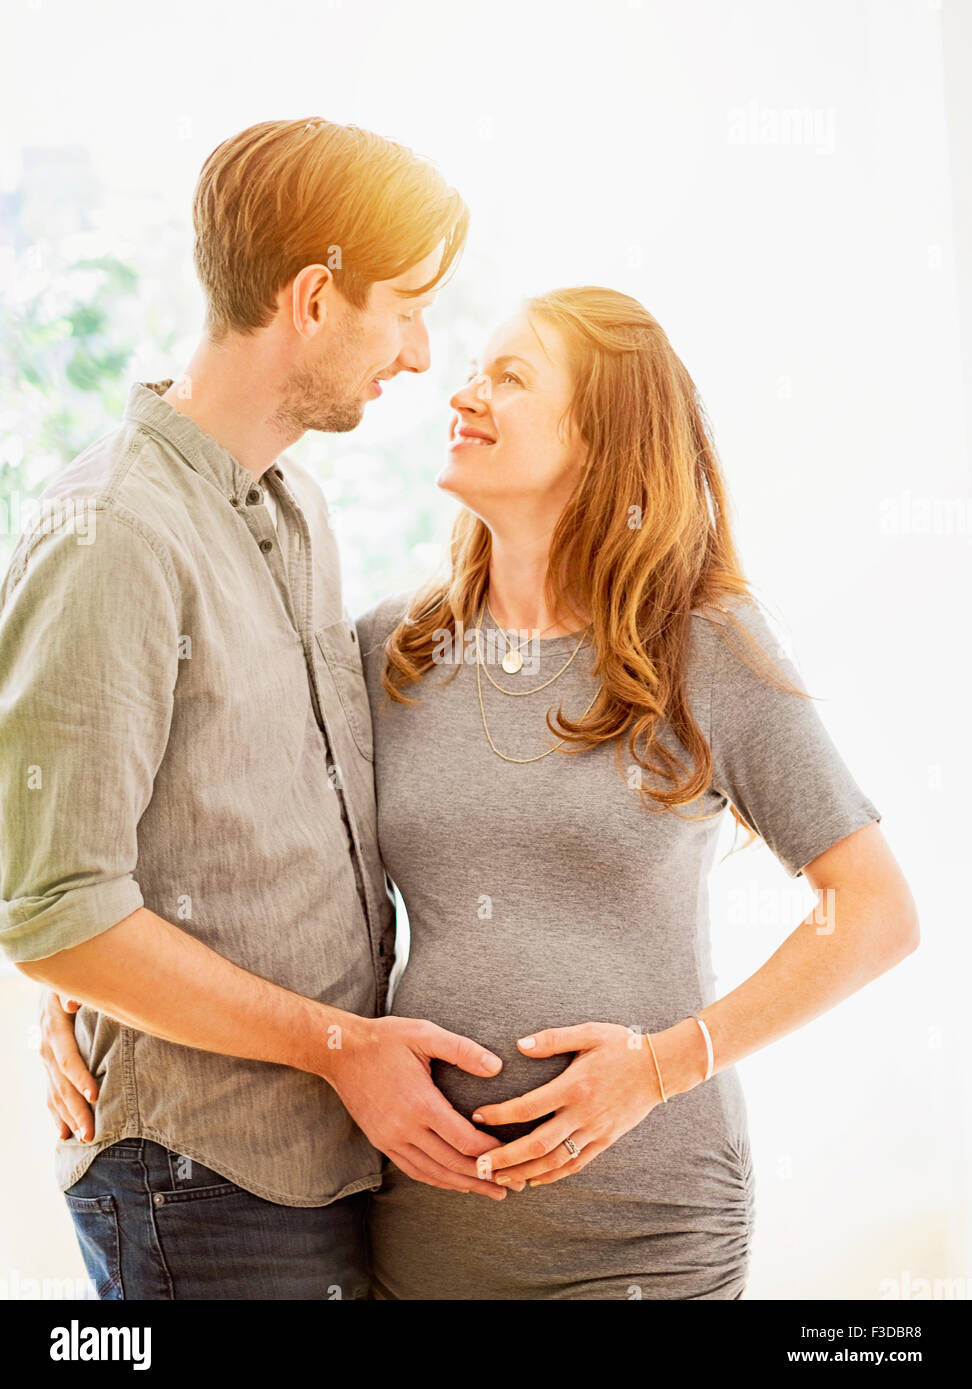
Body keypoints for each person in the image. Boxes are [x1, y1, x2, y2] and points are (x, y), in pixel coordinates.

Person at [0, 117, 511, 1304]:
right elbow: (54, 912)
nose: (423, 354)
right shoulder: (112, 532)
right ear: (316, 299)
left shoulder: (297, 511)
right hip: (202, 1177)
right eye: (407, 308)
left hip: (311, 1167)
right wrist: (341, 1049)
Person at [346, 286, 920, 1298]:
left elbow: (875, 912)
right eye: (477, 370)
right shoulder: (394, 649)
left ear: (602, 441)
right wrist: (80, 998)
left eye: (510, 377)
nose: (464, 393)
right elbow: (243, 838)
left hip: (646, 1239)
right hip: (422, 1233)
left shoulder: (701, 643)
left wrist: (661, 1067)